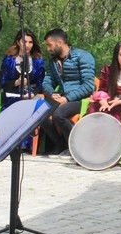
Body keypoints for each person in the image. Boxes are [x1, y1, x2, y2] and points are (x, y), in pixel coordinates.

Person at [40, 28, 96, 156]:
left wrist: (67, 98)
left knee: (59, 114)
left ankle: (75, 146)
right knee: (39, 113)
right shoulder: (53, 62)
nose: (48, 48)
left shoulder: (83, 56)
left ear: (60, 42)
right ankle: (60, 143)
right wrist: (51, 93)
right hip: (62, 99)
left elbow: (89, 85)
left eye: (50, 45)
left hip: (82, 99)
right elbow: (47, 82)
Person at [0, 28, 46, 109]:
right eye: (24, 42)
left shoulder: (38, 61)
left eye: (30, 42)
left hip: (31, 99)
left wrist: (33, 94)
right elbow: (1, 82)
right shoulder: (9, 60)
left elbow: (41, 84)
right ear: (18, 42)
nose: (27, 45)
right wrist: (16, 82)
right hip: (12, 100)